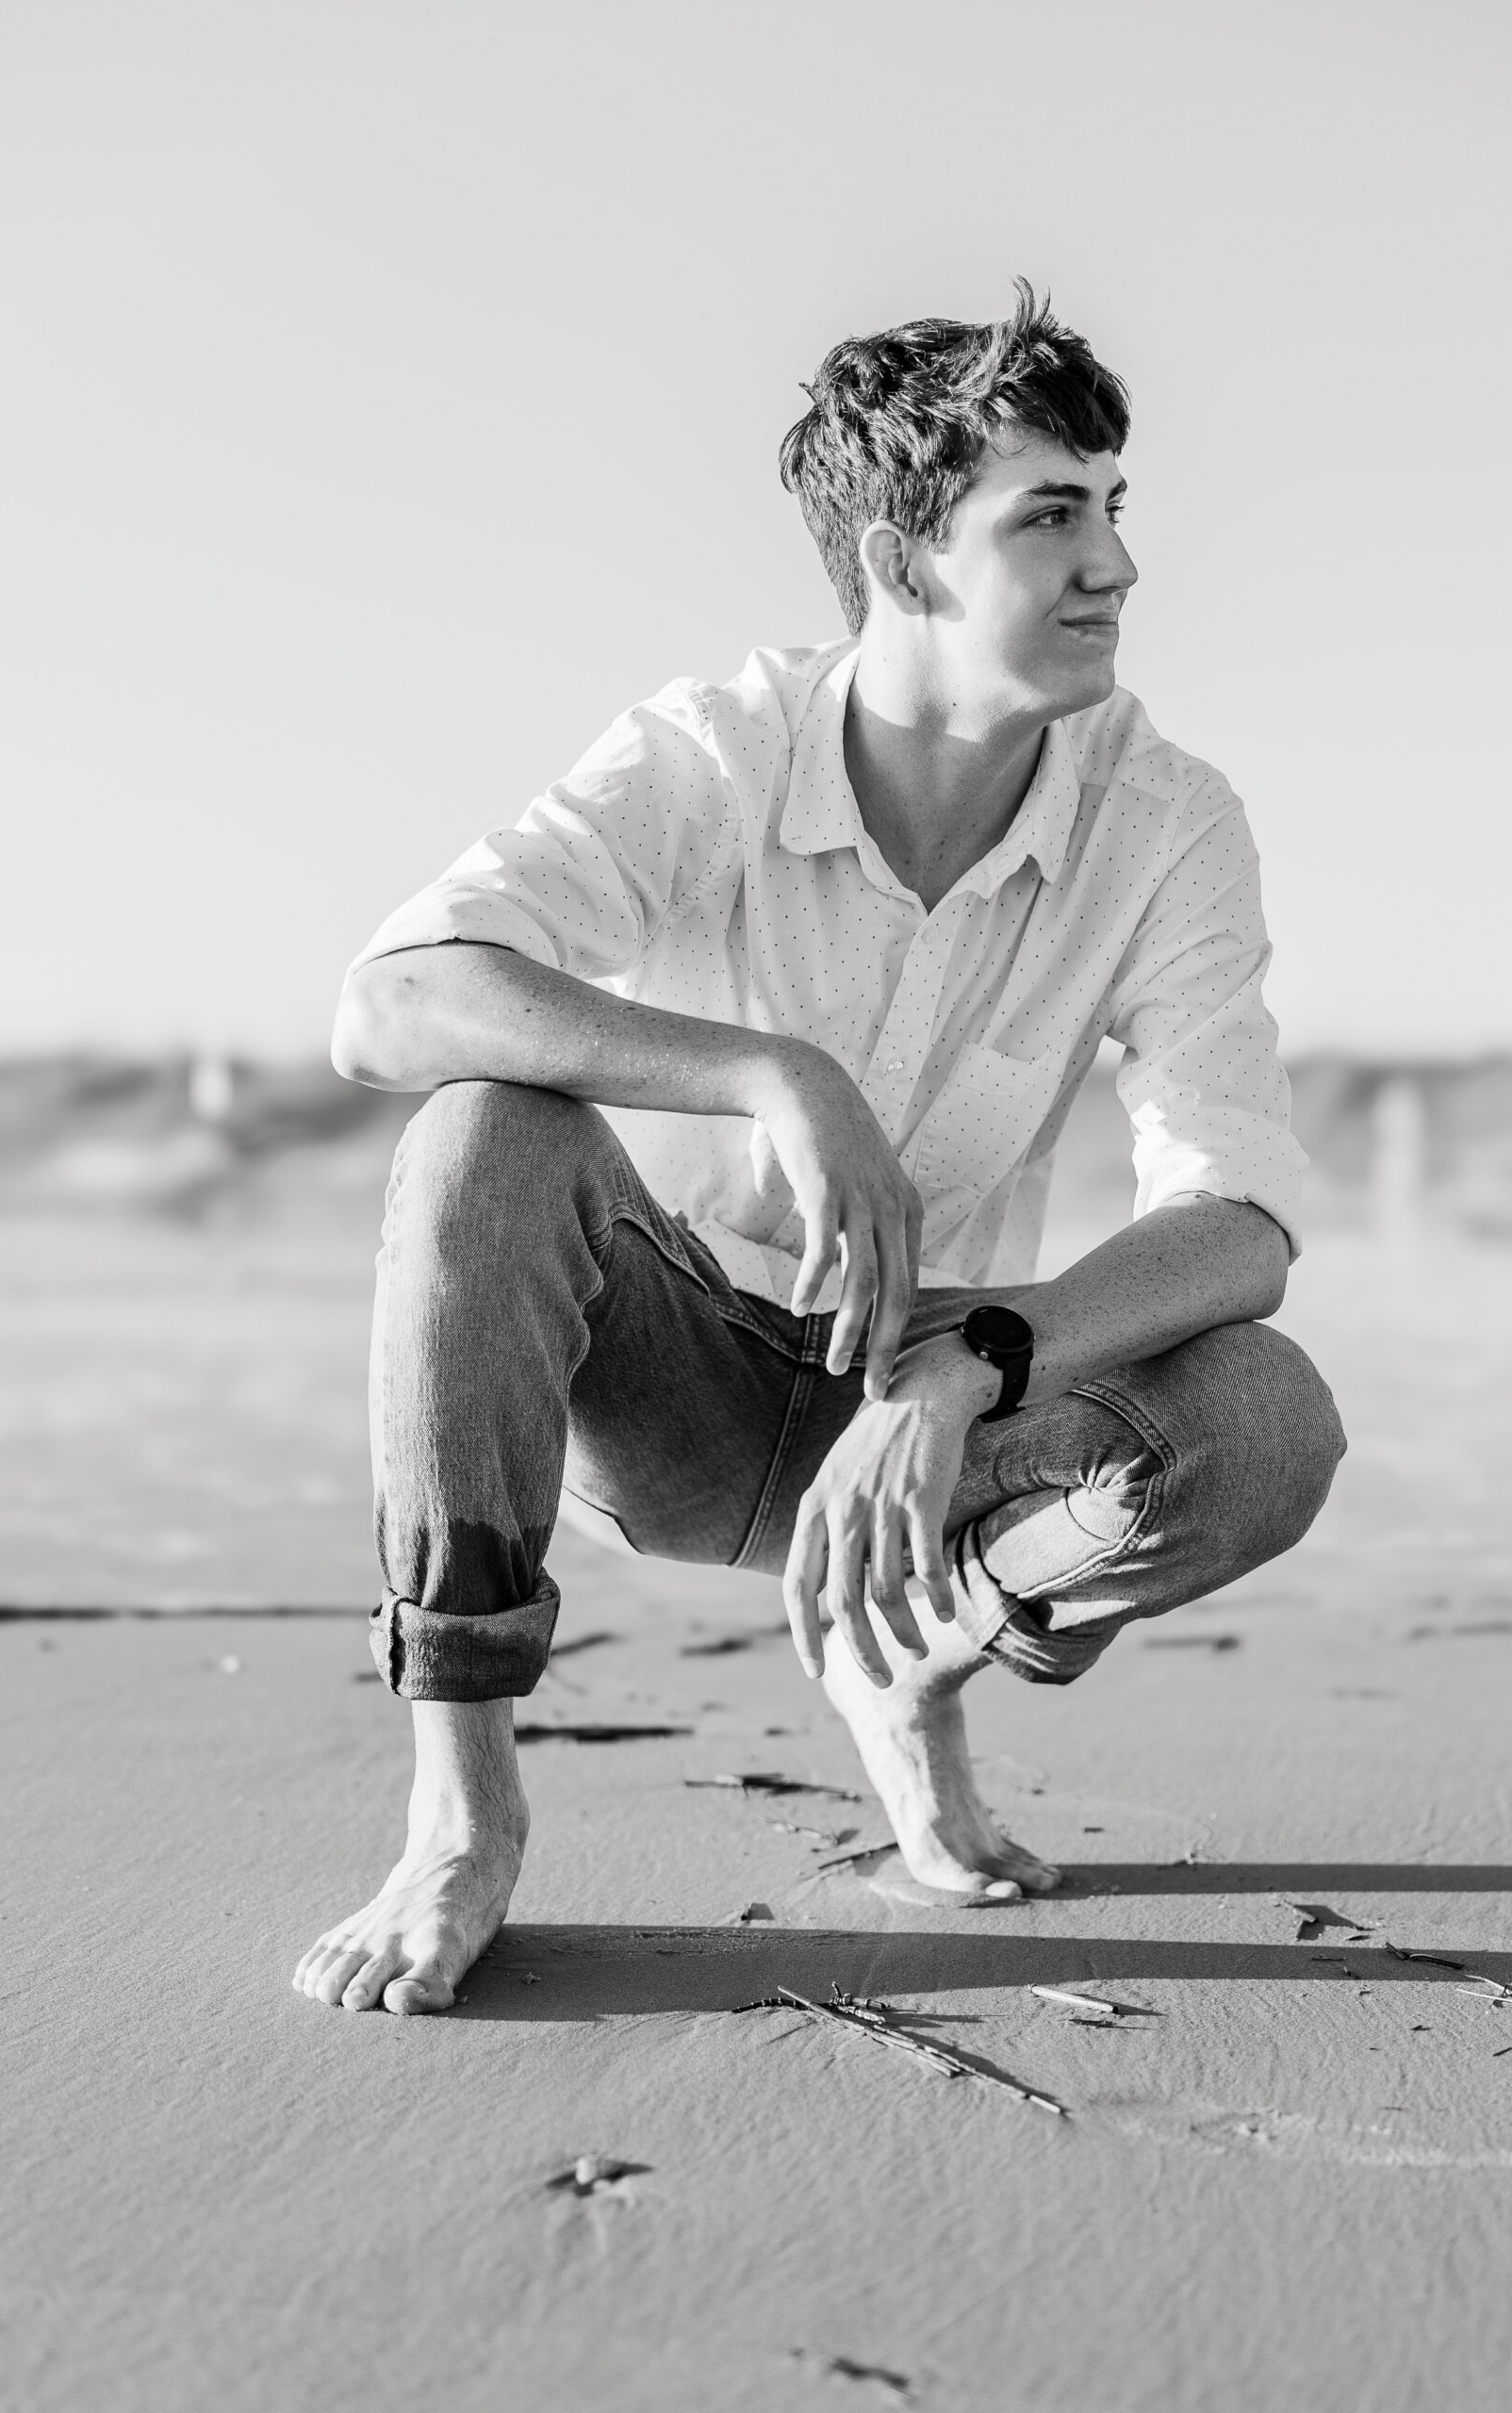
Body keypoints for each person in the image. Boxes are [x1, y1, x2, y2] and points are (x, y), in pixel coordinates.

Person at [292, 283, 1345, 2016]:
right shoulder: (714, 751)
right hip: (675, 1380)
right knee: (482, 1133)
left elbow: (1236, 1219)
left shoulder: (1167, 821)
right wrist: (773, 1073)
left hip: (934, 1426)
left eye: (1114, 508)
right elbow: (389, 1006)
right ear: (905, 558)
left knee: (1263, 1414)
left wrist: (972, 1368)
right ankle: (457, 1813)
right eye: (1051, 517)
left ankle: (908, 1664)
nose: (1117, 568)